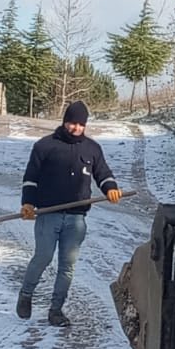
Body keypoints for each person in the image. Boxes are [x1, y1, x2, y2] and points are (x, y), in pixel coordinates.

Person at [16, 100, 121, 327]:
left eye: (81, 125)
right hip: (48, 214)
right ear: (65, 122)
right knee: (43, 257)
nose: (76, 128)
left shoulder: (92, 149)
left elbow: (103, 173)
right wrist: (28, 203)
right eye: (72, 123)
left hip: (76, 218)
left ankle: (56, 310)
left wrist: (110, 188)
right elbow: (31, 178)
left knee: (67, 266)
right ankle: (26, 294)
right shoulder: (45, 146)